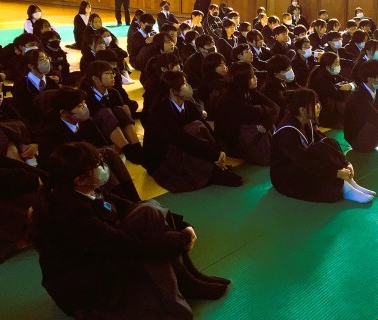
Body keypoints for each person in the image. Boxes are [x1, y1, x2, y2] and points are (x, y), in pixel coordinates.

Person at [33, 142, 229, 319]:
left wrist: (183, 225)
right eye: (97, 165)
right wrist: (180, 239)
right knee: (148, 227)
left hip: (108, 255)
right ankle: (179, 291)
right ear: (80, 179)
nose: (103, 167)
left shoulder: (86, 190)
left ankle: (188, 279)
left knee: (148, 209)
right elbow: (128, 247)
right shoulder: (72, 213)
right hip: (86, 284)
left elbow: (129, 206)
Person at [270, 88, 374, 204]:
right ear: (302, 110)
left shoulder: (306, 121)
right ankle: (346, 189)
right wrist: (335, 172)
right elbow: (303, 161)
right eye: (315, 104)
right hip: (286, 175)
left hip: (302, 163)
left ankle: (350, 182)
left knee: (327, 142)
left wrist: (345, 163)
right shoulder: (287, 132)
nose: (319, 106)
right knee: (324, 183)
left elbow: (324, 143)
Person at [37, 87, 140, 202]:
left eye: (84, 103)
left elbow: (101, 142)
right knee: (100, 161)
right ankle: (122, 200)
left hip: (91, 161)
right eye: (79, 106)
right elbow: (57, 165)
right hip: (73, 172)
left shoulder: (86, 121)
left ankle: (134, 199)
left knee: (108, 153)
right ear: (64, 113)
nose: (85, 107)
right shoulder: (49, 134)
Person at [144, 71, 242, 190]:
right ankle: (210, 173)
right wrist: (214, 155)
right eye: (184, 84)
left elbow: (205, 127)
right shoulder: (161, 112)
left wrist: (220, 150)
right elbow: (182, 140)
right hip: (163, 156)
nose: (188, 87)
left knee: (198, 126)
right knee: (192, 130)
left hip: (183, 148)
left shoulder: (188, 105)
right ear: (173, 91)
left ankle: (212, 168)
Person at [214, 62, 279, 165]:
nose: (256, 78)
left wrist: (267, 123)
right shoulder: (230, 99)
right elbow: (255, 113)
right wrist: (263, 111)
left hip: (247, 138)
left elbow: (275, 108)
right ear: (242, 80)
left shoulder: (249, 91)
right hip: (234, 142)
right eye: (252, 76)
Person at [306, 52, 354, 129]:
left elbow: (344, 80)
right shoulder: (322, 77)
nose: (338, 65)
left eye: (339, 62)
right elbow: (336, 95)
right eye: (336, 63)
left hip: (330, 105)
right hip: (323, 110)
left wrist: (350, 85)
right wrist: (346, 88)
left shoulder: (329, 71)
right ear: (328, 66)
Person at [260, 54, 300, 122]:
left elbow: (297, 87)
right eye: (287, 70)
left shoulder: (287, 80)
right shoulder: (270, 90)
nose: (290, 71)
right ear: (276, 74)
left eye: (290, 68)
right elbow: (283, 111)